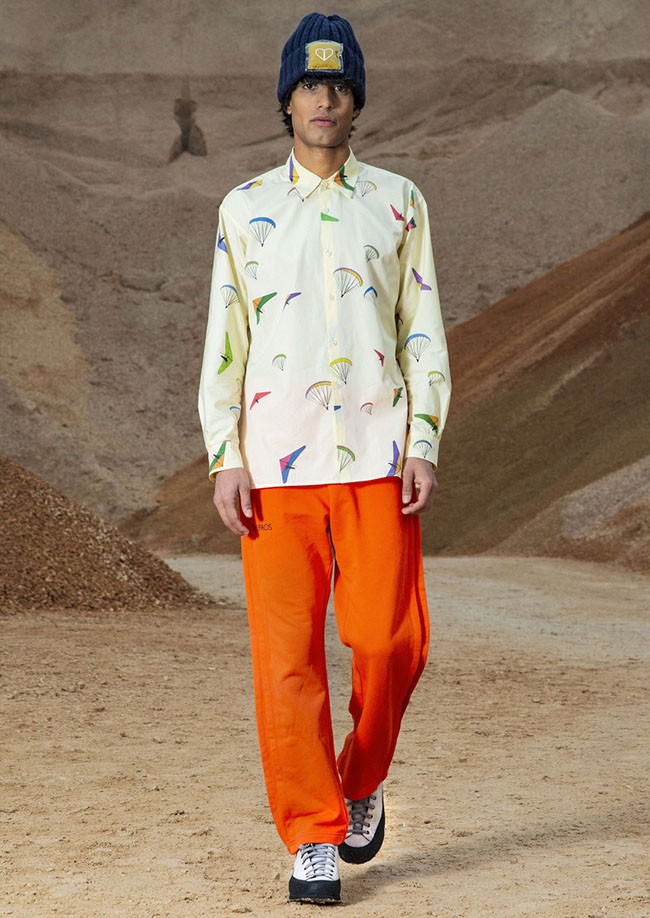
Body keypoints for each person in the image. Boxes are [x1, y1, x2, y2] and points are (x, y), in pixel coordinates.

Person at [198, 12, 451, 904]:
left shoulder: (399, 201)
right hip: (275, 468)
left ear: (356, 101)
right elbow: (226, 338)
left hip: (378, 456)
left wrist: (423, 440)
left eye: (339, 85)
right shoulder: (244, 209)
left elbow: (421, 329)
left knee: (391, 641)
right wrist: (225, 454)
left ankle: (360, 778)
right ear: (287, 99)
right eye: (309, 84)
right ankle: (312, 834)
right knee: (287, 662)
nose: (324, 99)